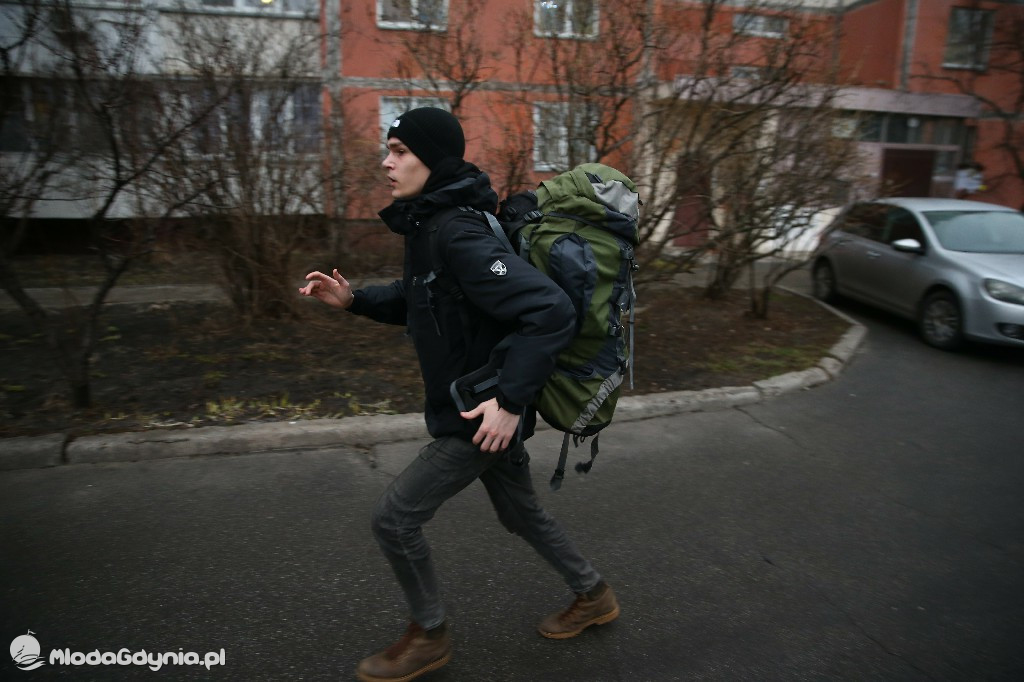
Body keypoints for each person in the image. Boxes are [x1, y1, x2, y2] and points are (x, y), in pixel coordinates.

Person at [299, 107, 618, 682]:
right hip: (482, 404)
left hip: (482, 414)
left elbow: (550, 310)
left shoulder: (458, 231)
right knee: (522, 515)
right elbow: (424, 297)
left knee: (394, 520)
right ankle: (593, 594)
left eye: (398, 150)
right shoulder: (432, 222)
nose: (386, 162)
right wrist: (356, 301)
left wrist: (512, 402)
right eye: (387, 149)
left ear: (433, 159)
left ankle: (429, 637)